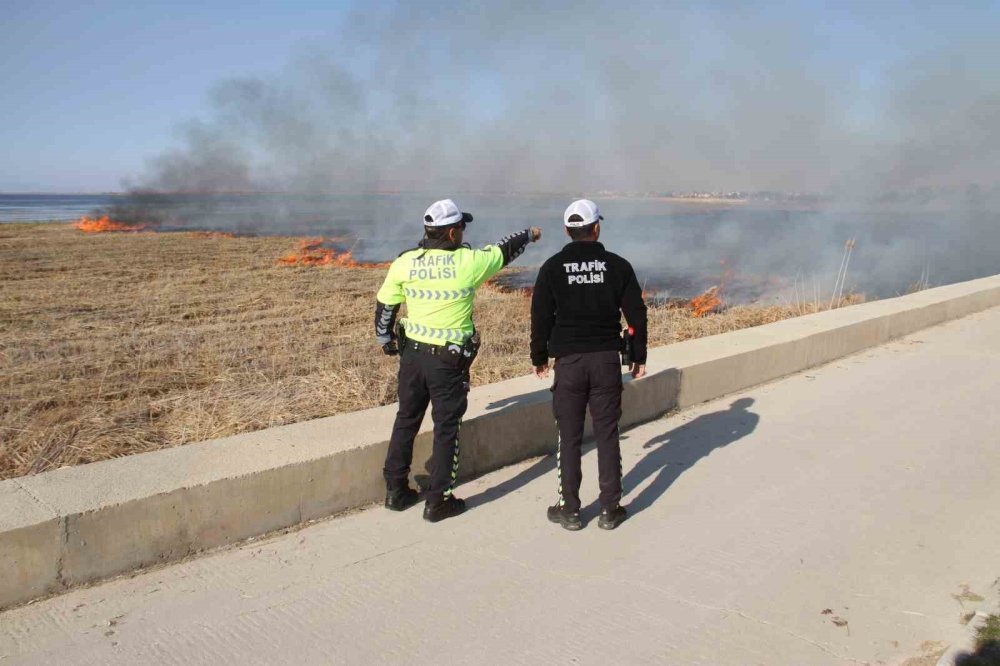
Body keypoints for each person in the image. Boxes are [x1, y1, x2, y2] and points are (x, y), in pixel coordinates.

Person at [375, 199, 541, 523]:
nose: (464, 232)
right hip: (447, 364)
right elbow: (505, 250)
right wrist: (529, 234)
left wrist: (386, 341)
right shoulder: (469, 262)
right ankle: (439, 500)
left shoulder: (405, 262)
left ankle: (395, 491)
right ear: (452, 232)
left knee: (406, 419)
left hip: (412, 358)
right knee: (446, 429)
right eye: (462, 227)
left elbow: (385, 309)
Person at [530, 199, 647, 531]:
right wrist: (638, 355)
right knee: (607, 434)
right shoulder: (618, 266)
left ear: (567, 231)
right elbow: (637, 313)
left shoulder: (551, 268)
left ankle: (569, 509)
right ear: (597, 228)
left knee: (568, 437)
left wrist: (539, 357)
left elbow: (539, 317)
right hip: (606, 360)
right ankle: (610, 509)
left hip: (568, 363)